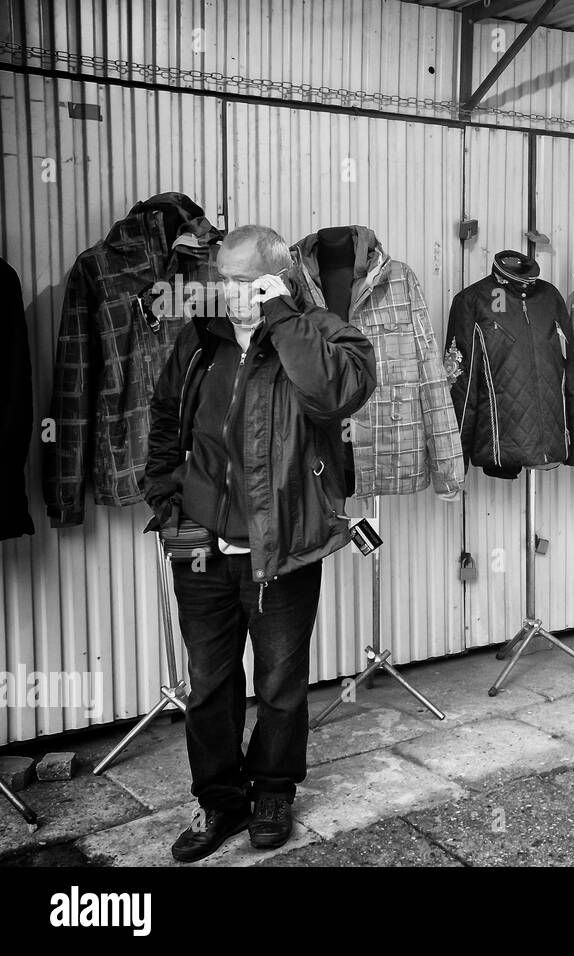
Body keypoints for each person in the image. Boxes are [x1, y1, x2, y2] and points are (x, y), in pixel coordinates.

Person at [144, 225, 376, 862]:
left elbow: (333, 395)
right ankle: (219, 800)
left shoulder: (324, 332)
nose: (227, 290)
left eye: (243, 280)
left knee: (279, 682)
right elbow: (166, 417)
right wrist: (167, 503)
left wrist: (279, 317)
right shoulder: (199, 339)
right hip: (197, 541)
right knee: (209, 683)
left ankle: (273, 790)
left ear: (277, 276)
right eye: (222, 277)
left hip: (284, 547)